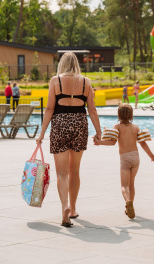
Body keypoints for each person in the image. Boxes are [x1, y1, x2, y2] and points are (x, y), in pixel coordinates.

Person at [36, 52, 102, 227]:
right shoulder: (86, 82)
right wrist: (98, 131)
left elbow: (49, 109)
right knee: (75, 170)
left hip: (60, 125)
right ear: (77, 64)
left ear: (62, 64)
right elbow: (92, 109)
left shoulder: (55, 81)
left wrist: (42, 134)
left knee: (62, 172)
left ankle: (64, 206)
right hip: (79, 124)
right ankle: (73, 209)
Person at [93, 104, 154, 219]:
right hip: (136, 157)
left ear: (119, 114)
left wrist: (99, 142)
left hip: (125, 158)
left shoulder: (117, 127)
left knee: (124, 185)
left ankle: (128, 202)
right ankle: (130, 204)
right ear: (131, 115)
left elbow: (112, 142)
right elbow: (143, 143)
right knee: (131, 184)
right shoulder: (136, 127)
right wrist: (152, 156)